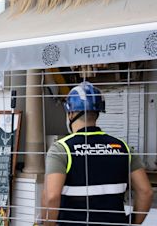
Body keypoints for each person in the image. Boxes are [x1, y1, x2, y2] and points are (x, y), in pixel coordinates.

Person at [41, 82, 153, 226]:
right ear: (97, 113)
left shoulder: (61, 149)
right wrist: (133, 223)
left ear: (70, 114)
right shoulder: (123, 147)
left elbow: (51, 197)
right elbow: (146, 192)